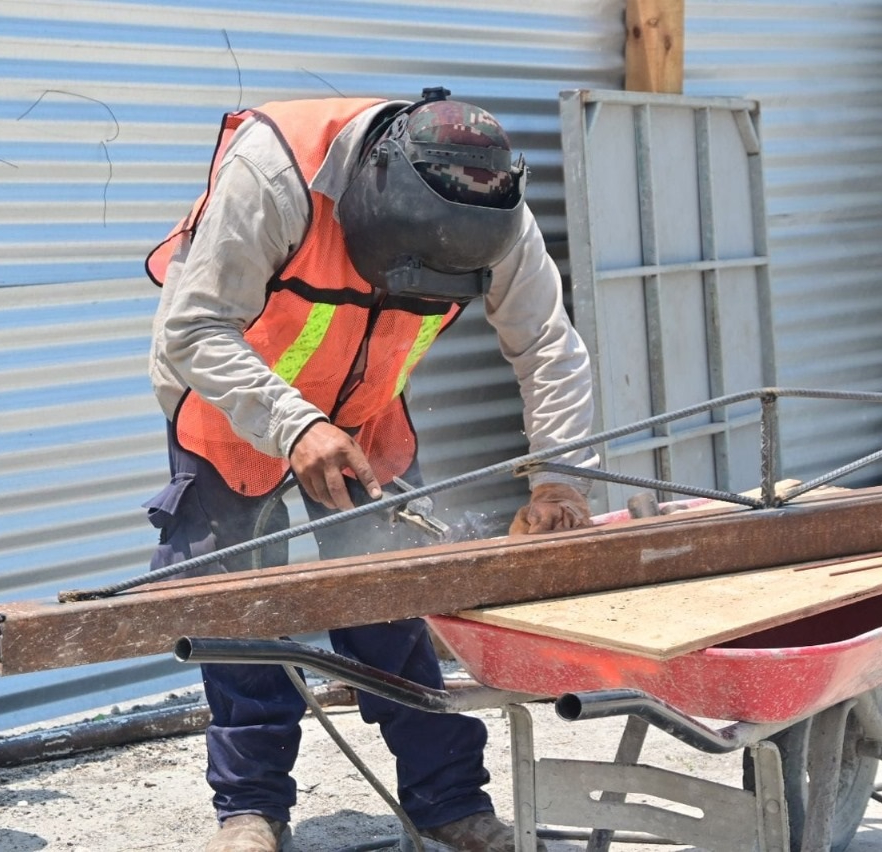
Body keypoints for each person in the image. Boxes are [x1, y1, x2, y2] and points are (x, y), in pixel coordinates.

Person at [143, 86, 598, 852]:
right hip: (235, 402)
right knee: (242, 609)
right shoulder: (276, 172)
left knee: (393, 595)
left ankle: (449, 801)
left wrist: (558, 475)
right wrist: (293, 425)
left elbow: (547, 345)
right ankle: (251, 811)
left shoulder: (494, 203)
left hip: (362, 413)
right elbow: (194, 329)